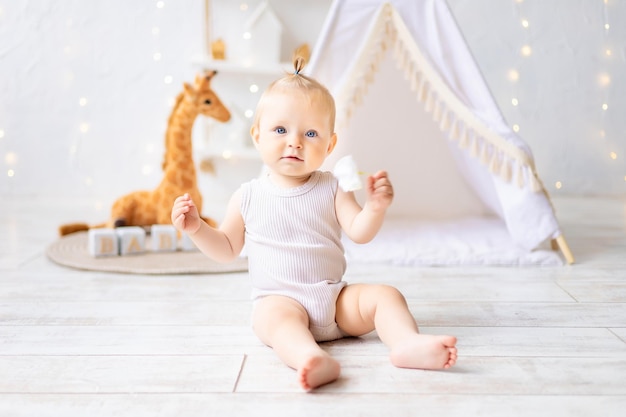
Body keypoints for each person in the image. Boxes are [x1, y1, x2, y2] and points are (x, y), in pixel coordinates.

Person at [171, 57, 457, 391]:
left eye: (310, 133)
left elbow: (359, 231)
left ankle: (406, 342)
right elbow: (227, 249)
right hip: (281, 301)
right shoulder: (247, 196)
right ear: (257, 135)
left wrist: (375, 208)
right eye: (280, 130)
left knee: (386, 295)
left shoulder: (332, 187)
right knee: (275, 321)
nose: (295, 141)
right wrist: (197, 229)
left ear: (330, 145)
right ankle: (309, 357)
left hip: (335, 302)